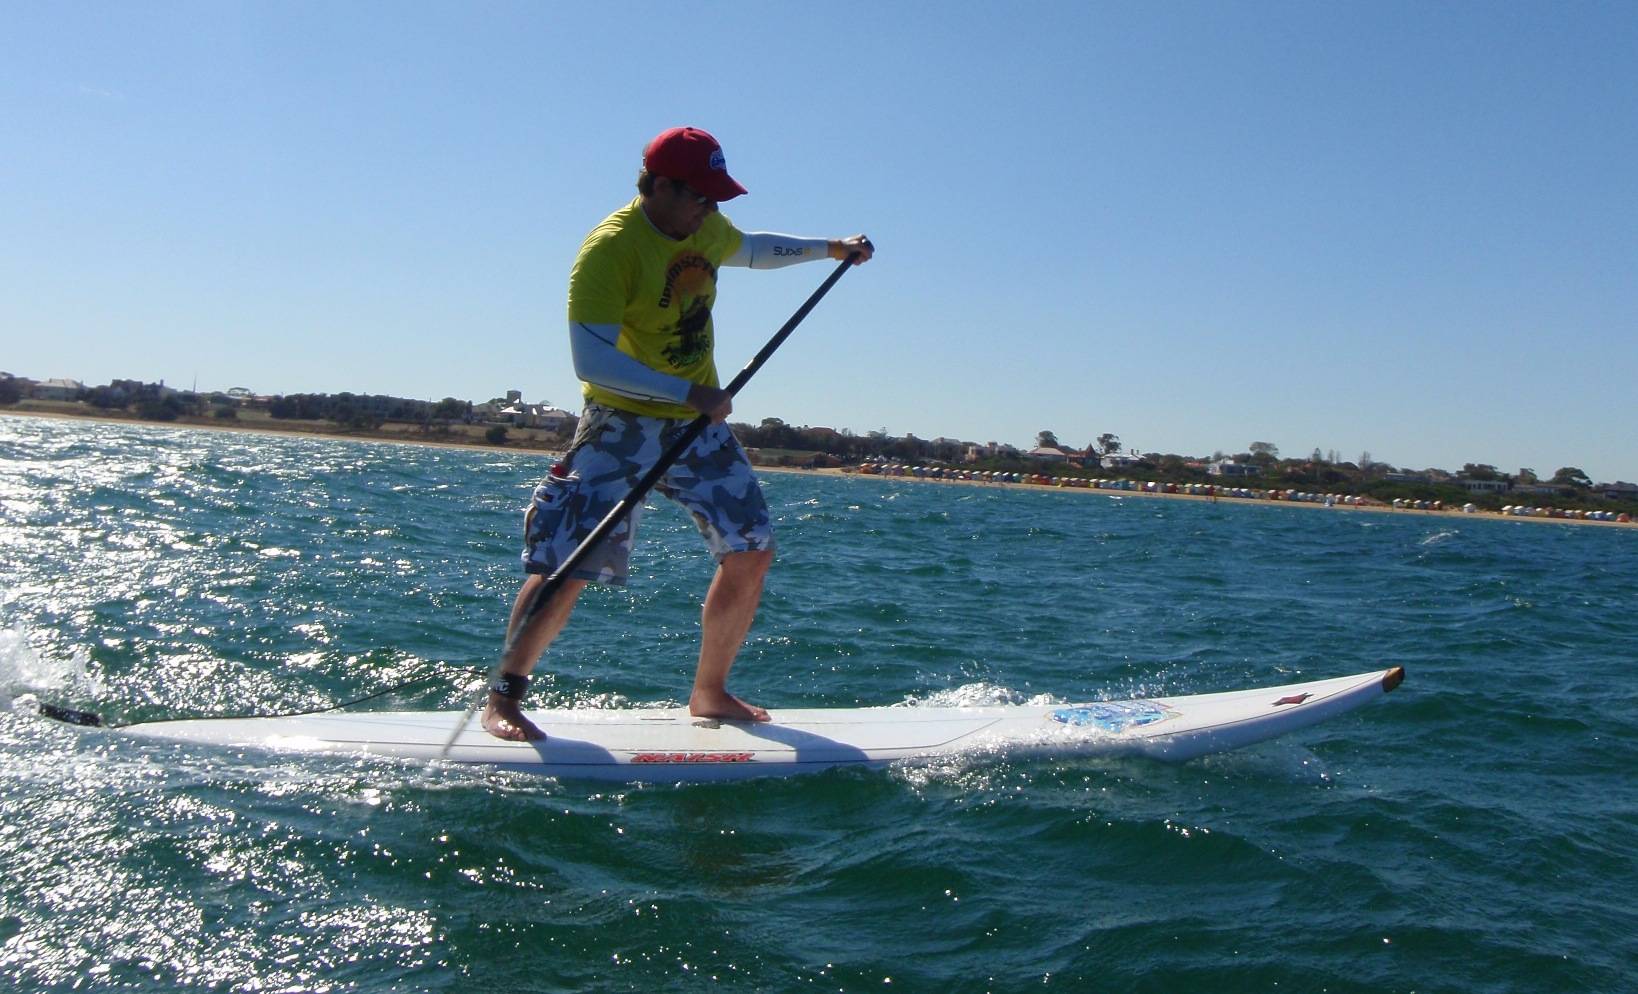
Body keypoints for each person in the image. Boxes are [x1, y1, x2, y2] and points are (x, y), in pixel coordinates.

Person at [483, 126, 873, 741]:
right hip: (623, 420)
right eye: (700, 197)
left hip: (697, 427)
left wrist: (830, 249)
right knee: (567, 560)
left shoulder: (704, 226)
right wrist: (690, 393)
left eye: (717, 200)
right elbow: (592, 361)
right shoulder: (610, 251)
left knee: (752, 548)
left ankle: (709, 693)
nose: (710, 211)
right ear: (659, 186)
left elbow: (751, 250)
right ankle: (503, 697)